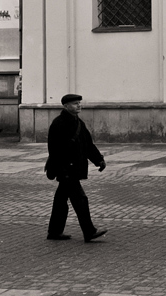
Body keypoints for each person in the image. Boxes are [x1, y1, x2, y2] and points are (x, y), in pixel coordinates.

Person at [46, 92, 108, 241]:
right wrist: (62, 169)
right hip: (67, 170)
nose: (79, 105)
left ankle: (54, 232)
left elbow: (88, 145)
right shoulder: (59, 124)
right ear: (66, 106)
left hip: (73, 168)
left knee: (61, 201)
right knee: (80, 200)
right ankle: (89, 231)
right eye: (75, 103)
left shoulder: (78, 123)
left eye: (79, 103)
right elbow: (54, 150)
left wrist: (98, 160)